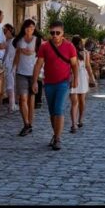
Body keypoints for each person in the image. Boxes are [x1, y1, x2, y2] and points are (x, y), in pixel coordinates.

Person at [31, 21, 78, 151]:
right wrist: (34, 81)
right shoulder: (44, 47)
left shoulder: (69, 47)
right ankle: (55, 134)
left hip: (63, 82)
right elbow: (38, 64)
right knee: (52, 112)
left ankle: (57, 138)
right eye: (52, 33)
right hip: (49, 83)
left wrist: (75, 78)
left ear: (63, 34)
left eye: (58, 33)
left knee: (58, 109)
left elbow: (74, 65)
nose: (55, 35)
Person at [11, 19, 40, 136]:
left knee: (31, 100)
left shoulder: (38, 41)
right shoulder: (19, 40)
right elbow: (17, 54)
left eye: (32, 28)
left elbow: (41, 57)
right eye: (28, 28)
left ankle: (30, 124)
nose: (30, 30)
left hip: (33, 73)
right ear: (24, 28)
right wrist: (13, 68)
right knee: (23, 98)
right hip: (21, 73)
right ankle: (26, 124)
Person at [69, 35, 93, 134]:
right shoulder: (81, 53)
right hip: (78, 76)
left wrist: (92, 78)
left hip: (77, 76)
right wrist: (92, 79)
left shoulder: (84, 53)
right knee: (78, 101)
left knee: (77, 101)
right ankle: (77, 122)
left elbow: (88, 66)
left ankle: (77, 122)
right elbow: (88, 66)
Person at [1, 23, 17, 115]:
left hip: (10, 65)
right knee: (9, 85)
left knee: (10, 85)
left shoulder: (12, 41)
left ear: (10, 31)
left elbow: (10, 56)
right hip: (7, 65)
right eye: (3, 31)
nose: (4, 32)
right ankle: (12, 104)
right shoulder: (7, 41)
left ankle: (12, 105)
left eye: (5, 31)